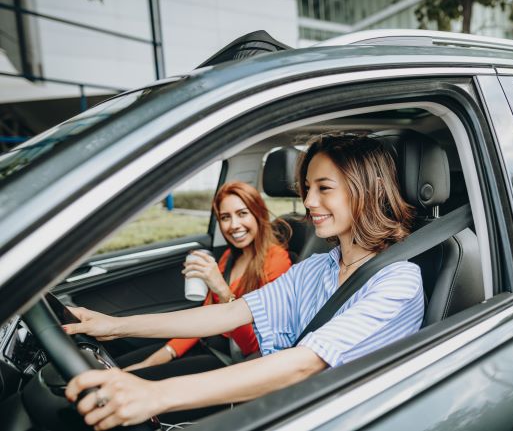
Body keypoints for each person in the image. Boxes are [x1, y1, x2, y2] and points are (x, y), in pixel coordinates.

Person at [63, 133, 425, 430]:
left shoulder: (399, 282)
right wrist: (112, 325)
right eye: (307, 186)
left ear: (368, 189)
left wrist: (157, 394)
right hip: (292, 407)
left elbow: (307, 363)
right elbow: (230, 312)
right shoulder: (317, 267)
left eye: (324, 187)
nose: (308, 199)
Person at [117, 181, 292, 372]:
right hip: (206, 342)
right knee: (123, 364)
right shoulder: (230, 257)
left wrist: (223, 291)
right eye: (225, 217)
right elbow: (204, 316)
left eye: (242, 213)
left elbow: (254, 347)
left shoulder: (276, 261)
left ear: (258, 213)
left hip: (234, 362)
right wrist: (163, 355)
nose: (234, 225)